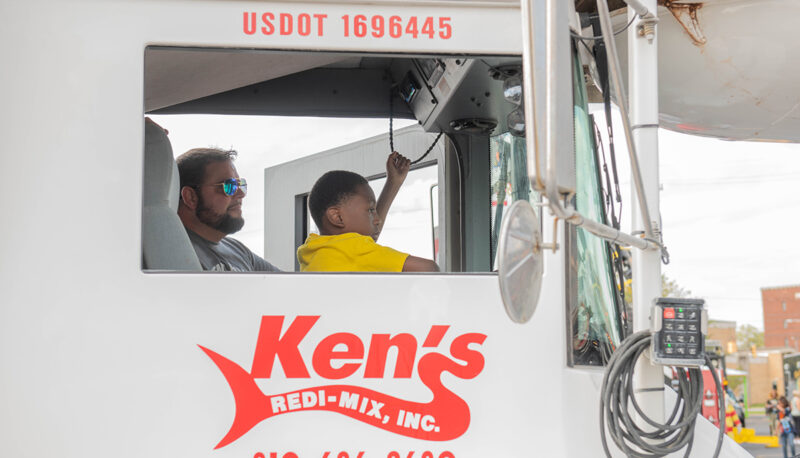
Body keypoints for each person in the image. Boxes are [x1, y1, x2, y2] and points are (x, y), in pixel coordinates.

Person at [298, 152, 439, 272]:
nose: (378, 220)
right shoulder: (354, 250)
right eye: (371, 210)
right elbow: (428, 268)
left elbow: (368, 240)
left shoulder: (313, 248)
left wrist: (393, 182)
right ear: (337, 217)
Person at [176, 147, 280, 272]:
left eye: (240, 185)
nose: (241, 194)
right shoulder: (171, 252)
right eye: (229, 186)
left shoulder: (238, 250)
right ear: (190, 197)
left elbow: (287, 285)